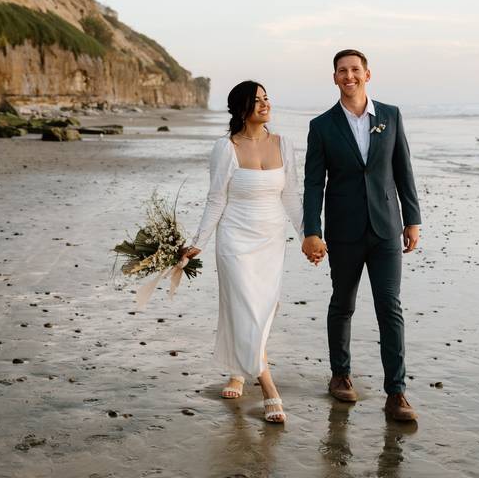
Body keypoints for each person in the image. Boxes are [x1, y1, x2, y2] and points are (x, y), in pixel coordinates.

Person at [301, 49, 422, 422]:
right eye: (342, 71)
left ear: (368, 74)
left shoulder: (391, 115)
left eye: (355, 69)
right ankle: (340, 374)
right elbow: (313, 184)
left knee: (390, 307)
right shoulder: (322, 126)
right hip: (344, 229)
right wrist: (312, 231)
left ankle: (396, 393)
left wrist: (412, 219)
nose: (349, 76)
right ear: (334, 78)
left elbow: (403, 168)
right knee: (343, 303)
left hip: (386, 227)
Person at [181, 81, 303, 424]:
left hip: (271, 240)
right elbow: (216, 197)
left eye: (267, 97)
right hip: (235, 239)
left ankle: (238, 369)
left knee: (263, 309)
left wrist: (308, 233)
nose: (265, 104)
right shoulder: (226, 147)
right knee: (245, 308)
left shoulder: (283, 144)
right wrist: (199, 240)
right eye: (256, 100)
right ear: (240, 108)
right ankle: (268, 388)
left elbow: (291, 195)